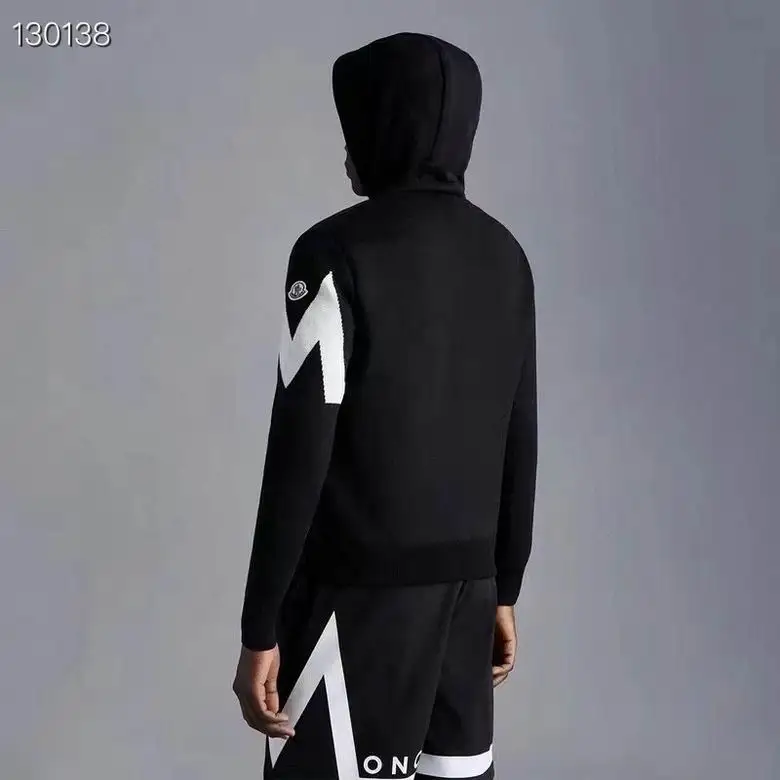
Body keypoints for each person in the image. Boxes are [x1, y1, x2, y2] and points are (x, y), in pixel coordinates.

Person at [232, 31, 537, 780]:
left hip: (357, 605)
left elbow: (300, 450)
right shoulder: (507, 256)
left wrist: (260, 625)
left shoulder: (331, 254)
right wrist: (505, 587)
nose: (347, 148)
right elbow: (520, 437)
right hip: (470, 598)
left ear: (380, 129)